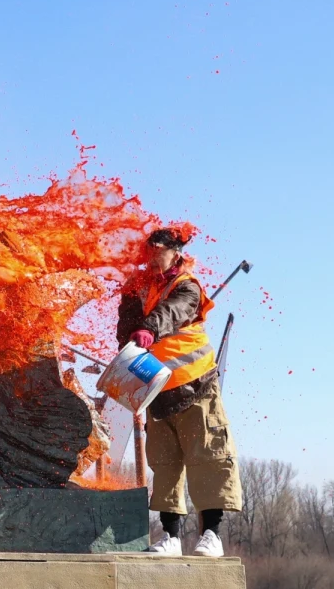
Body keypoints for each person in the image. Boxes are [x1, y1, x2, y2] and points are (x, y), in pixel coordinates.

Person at [116, 226, 242, 558]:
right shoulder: (139, 287)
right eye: (149, 255)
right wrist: (130, 334)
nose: (154, 262)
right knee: (165, 465)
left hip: (196, 386)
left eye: (160, 255)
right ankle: (171, 537)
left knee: (208, 458)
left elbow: (172, 312)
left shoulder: (186, 285)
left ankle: (211, 534)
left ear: (175, 253)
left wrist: (147, 328)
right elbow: (126, 324)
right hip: (158, 392)